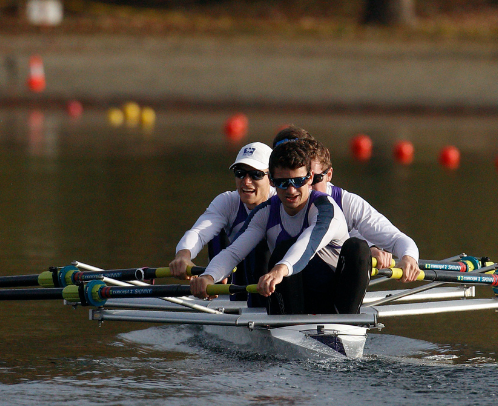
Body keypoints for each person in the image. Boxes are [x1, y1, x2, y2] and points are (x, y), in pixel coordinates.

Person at [190, 139, 370, 315]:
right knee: (283, 248)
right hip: (294, 304)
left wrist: (280, 269)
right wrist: (209, 276)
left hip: (336, 302)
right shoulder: (265, 212)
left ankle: (349, 321)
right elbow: (234, 252)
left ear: (309, 179)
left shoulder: (325, 209)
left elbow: (309, 243)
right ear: (272, 182)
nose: (291, 190)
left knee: (358, 248)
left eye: (298, 181)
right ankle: (288, 323)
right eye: (283, 183)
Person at [271, 125, 420, 281]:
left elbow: (396, 239)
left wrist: (408, 258)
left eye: (312, 178)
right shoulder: (275, 194)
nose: (296, 187)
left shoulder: (345, 202)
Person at [169, 142, 275, 303]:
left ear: (272, 178)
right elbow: (199, 233)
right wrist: (183, 256)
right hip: (235, 275)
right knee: (216, 229)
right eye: (240, 173)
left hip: (274, 282)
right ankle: (216, 286)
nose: (246, 182)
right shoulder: (228, 201)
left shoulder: (281, 203)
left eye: (255, 174)